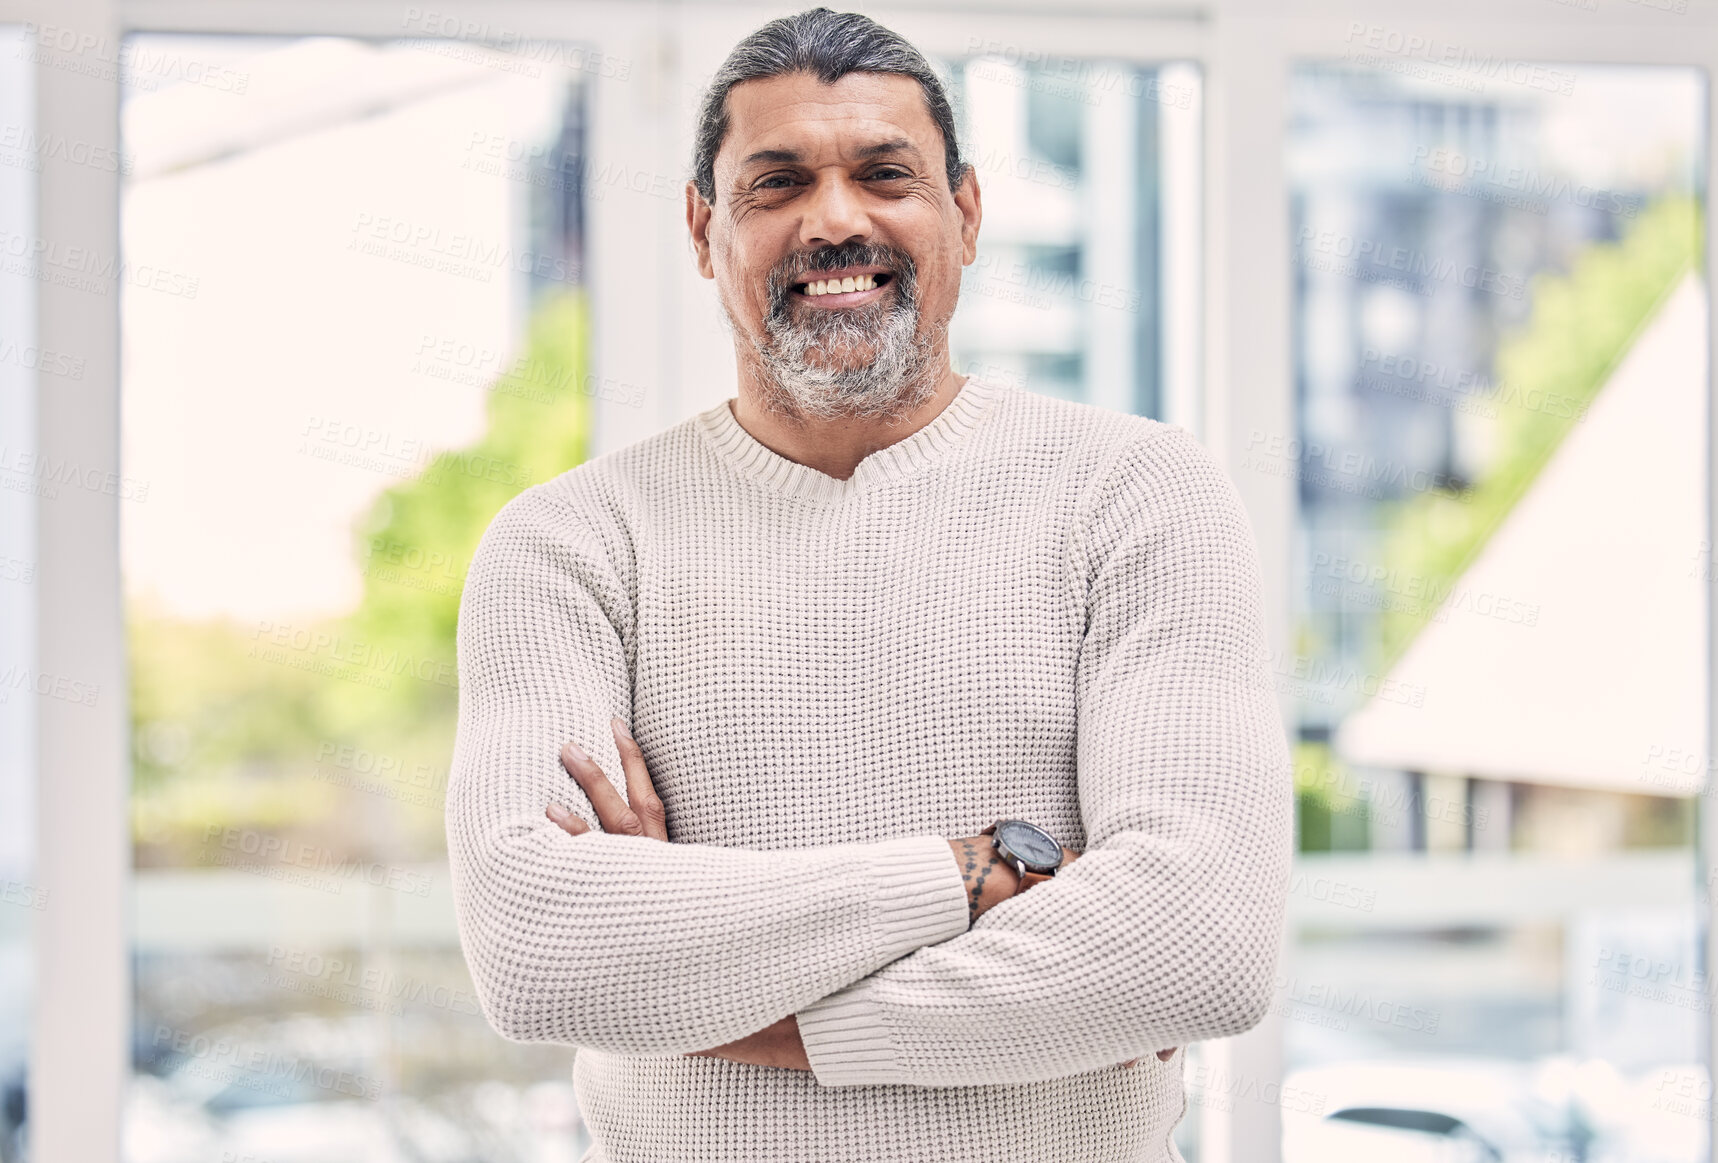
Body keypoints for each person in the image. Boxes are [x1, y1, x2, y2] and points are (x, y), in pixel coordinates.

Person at [444, 8, 1293, 1161]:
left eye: (885, 175)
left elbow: (1196, 943)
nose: (834, 219)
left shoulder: (1137, 494)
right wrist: (977, 874)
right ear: (704, 229)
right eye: (776, 182)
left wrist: (708, 994)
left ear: (967, 212)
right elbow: (541, 953)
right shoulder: (571, 543)